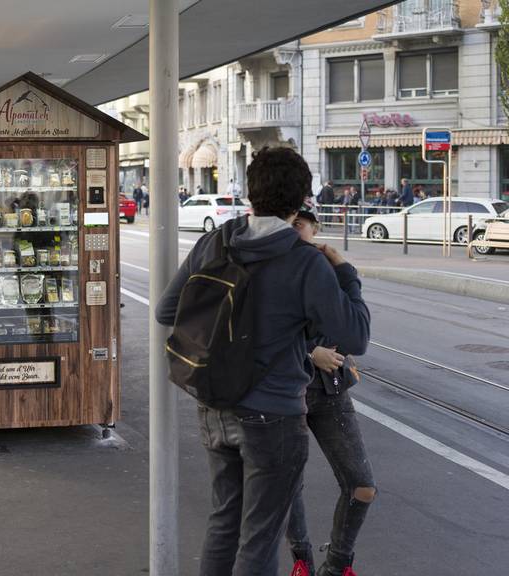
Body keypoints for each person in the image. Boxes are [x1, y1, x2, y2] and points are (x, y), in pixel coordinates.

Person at [155, 146, 370, 576]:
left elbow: (167, 311)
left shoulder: (216, 240)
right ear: (301, 202)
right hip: (273, 416)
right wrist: (345, 272)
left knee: (223, 523)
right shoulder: (306, 261)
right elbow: (356, 335)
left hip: (215, 406)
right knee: (260, 537)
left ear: (250, 192)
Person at [286, 209, 376, 576]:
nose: (294, 232)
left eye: (300, 225)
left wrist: (345, 270)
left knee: (362, 485)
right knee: (288, 484)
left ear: (315, 229)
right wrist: (310, 352)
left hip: (330, 390)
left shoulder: (325, 269)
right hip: (286, 390)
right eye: (288, 224)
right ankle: (302, 562)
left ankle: (337, 565)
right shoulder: (273, 266)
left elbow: (355, 328)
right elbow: (259, 331)